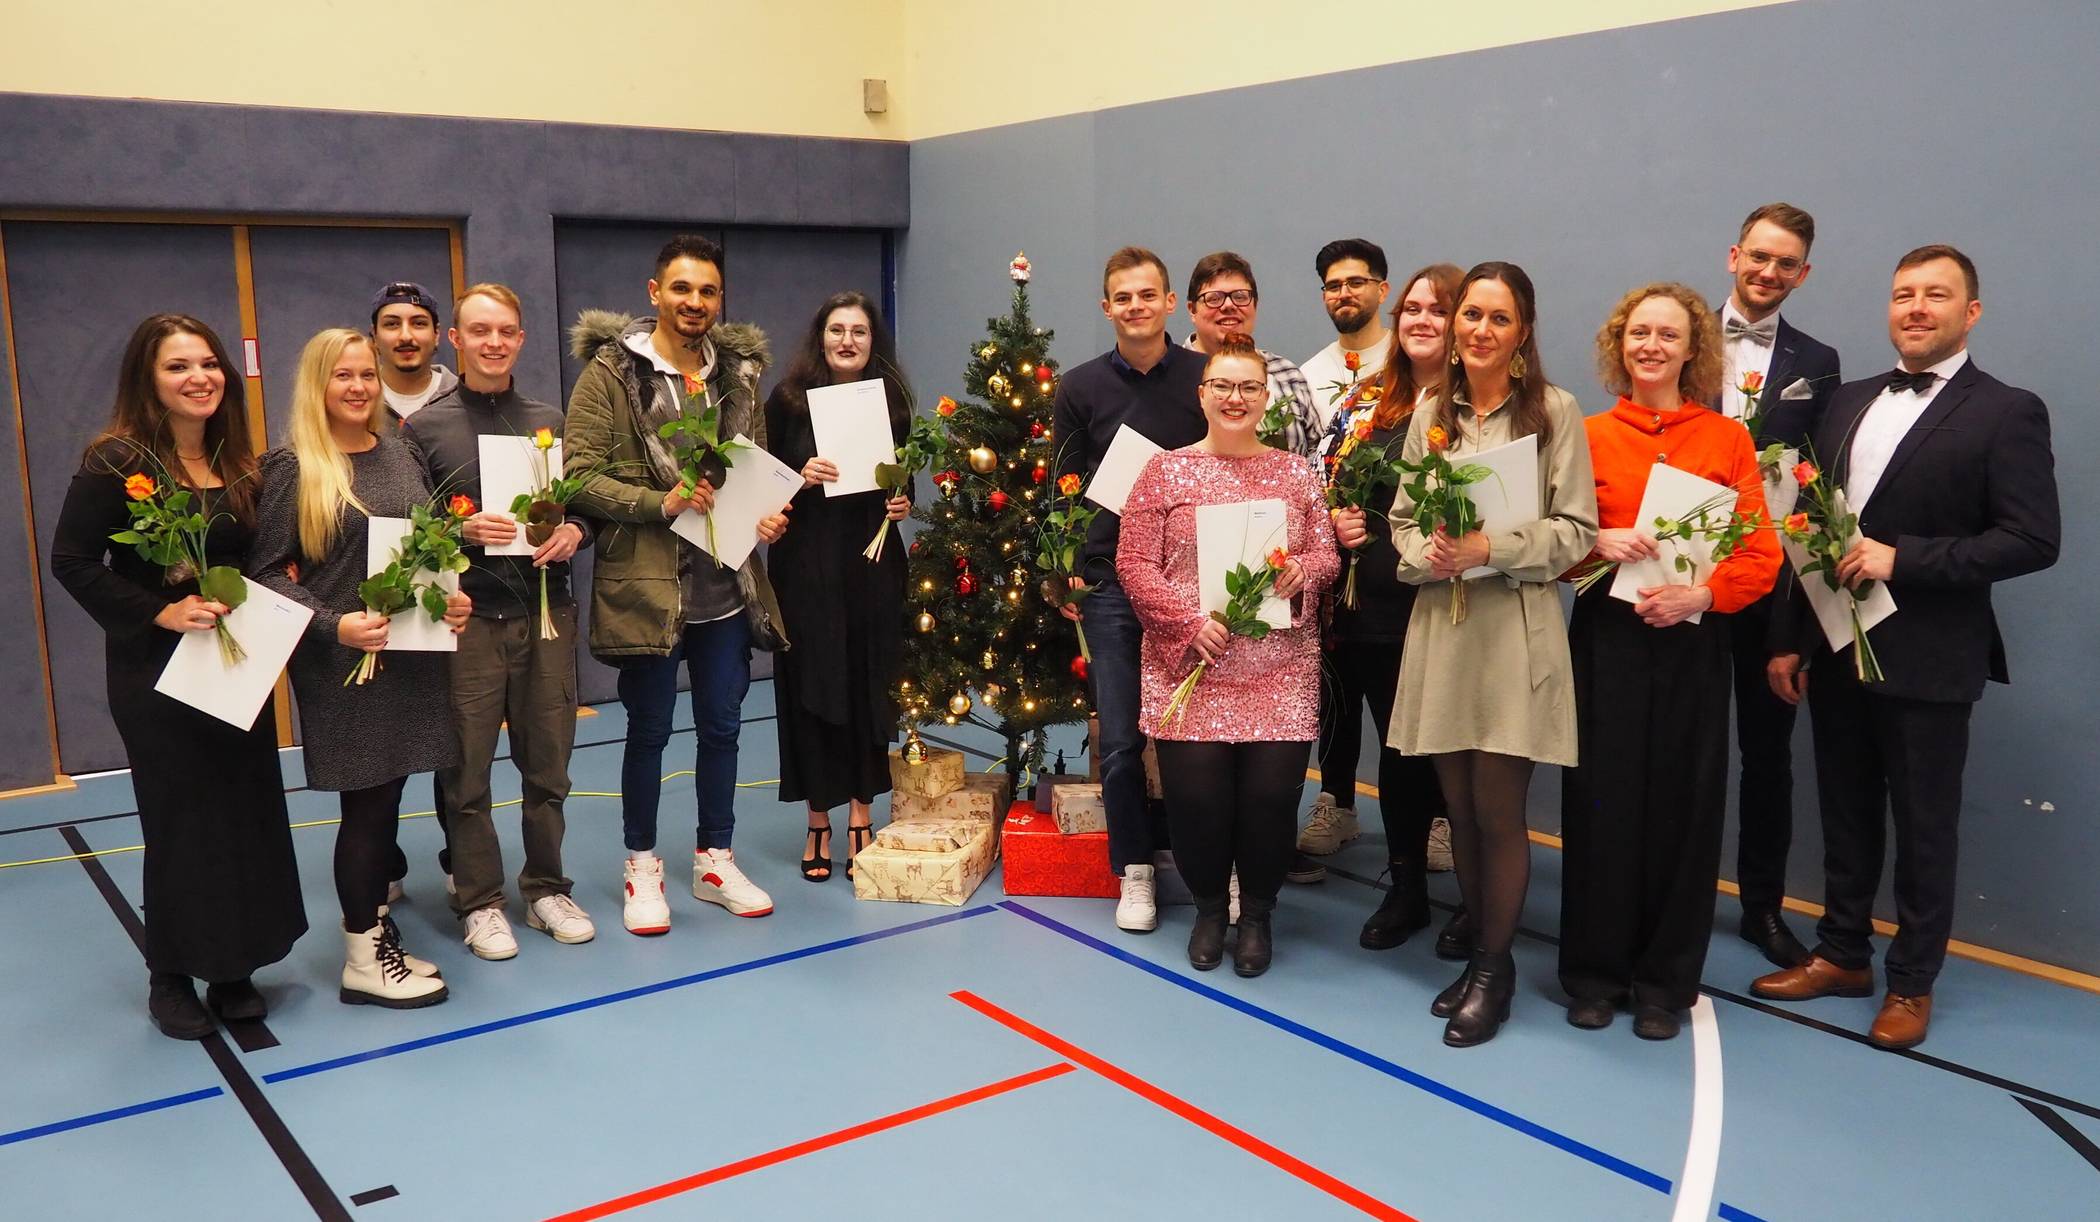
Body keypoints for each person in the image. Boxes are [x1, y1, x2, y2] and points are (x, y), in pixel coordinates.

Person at [1753, 246, 2058, 1050]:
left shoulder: (2008, 409)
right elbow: (1806, 528)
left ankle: (1912, 981)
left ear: (1972, 312)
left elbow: (2033, 539)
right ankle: (1842, 953)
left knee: (1925, 829)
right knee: (1845, 813)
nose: (1917, 308)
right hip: (1837, 649)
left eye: (1936, 295)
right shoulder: (1846, 400)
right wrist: (1789, 640)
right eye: (1903, 295)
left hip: (1931, 655)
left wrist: (1906, 557)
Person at [49, 314, 307, 1039]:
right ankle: (170, 972)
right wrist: (158, 614)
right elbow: (72, 562)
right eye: (177, 366)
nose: (198, 377)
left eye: (208, 363)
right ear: (149, 379)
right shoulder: (116, 460)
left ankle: (233, 968)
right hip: (156, 670)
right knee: (181, 820)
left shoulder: (241, 460)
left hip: (234, 666)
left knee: (243, 813)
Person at [1559, 283, 1779, 1040]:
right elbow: (1551, 551)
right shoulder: (1585, 435)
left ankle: (1664, 982)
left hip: (1691, 642)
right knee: (1600, 805)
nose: (1652, 345)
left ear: (1694, 350)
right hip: (1607, 642)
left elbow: (1760, 553)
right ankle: (1592, 971)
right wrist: (1595, 545)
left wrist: (1704, 597)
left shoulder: (1727, 440)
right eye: (1638, 333)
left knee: (1683, 812)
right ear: (1620, 344)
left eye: (1668, 335)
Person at [1387, 262, 1597, 1047]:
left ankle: (1493, 967)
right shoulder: (1431, 413)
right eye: (1469, 314)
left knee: (1500, 811)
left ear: (1524, 331)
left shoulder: (1556, 413)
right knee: (1461, 810)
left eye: (1497, 318)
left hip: (1514, 630)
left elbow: (1575, 531)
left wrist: (1490, 545)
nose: (1479, 330)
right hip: (1444, 627)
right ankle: (1482, 953)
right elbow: (1403, 520)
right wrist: (1429, 553)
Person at [565, 233, 788, 935]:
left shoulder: (737, 376)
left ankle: (715, 857)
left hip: (725, 588)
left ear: (720, 301)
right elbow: (577, 474)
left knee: (724, 727)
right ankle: (641, 866)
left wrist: (765, 518)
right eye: (682, 288)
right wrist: (656, 504)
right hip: (648, 590)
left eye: (709, 291)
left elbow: (749, 468)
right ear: (654, 291)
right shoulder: (610, 372)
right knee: (650, 732)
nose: (695, 302)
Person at [249, 328, 468, 1008]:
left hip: (410, 663)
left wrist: (451, 598)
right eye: (341, 376)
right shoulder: (294, 467)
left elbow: (430, 544)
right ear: (317, 386)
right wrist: (332, 623)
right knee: (367, 811)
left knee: (387, 804)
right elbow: (264, 576)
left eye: (365, 375)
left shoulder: (401, 453)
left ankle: (375, 932)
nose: (357, 387)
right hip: (343, 666)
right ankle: (361, 960)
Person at [1118, 333, 1339, 977]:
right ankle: (1212, 910)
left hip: (1279, 669)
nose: (1235, 397)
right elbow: (1134, 564)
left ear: (1266, 399)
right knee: (1198, 805)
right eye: (1223, 386)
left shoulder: (1298, 473)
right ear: (1203, 395)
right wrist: (1186, 624)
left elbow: (1326, 555)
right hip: (1193, 668)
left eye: (1248, 387)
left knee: (1271, 803)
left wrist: (1302, 569)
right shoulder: (1164, 471)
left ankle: (1259, 914)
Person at [398, 283, 594, 959]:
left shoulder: (550, 420)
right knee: (468, 773)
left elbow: (584, 507)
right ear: (456, 340)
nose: (493, 342)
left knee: (549, 768)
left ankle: (545, 888)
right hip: (468, 623)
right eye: (479, 331)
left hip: (545, 614)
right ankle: (479, 901)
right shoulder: (423, 428)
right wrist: (456, 527)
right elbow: (405, 529)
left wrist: (575, 531)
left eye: (506, 331)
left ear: (521, 339)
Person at [1050, 247, 1208, 933]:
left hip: (1191, 586)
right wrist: (1061, 567)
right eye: (1124, 297)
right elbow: (1061, 487)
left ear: (1171, 303)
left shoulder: (1206, 380)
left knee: (1194, 735)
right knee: (1118, 737)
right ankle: (1135, 873)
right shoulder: (1078, 388)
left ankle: (1203, 864)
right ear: (1106, 307)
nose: (1137, 306)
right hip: (1111, 583)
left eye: (1149, 295)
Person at [1311, 263, 1462, 949]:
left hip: (1446, 606)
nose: (1422, 319)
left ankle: (1482, 901)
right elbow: (1331, 475)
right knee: (1398, 758)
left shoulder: (1478, 406)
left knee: (1451, 759)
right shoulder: (1373, 398)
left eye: (1440, 308)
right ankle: (1407, 890)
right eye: (1413, 308)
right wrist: (1337, 516)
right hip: (1369, 608)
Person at [1713, 204, 1843, 968]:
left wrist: (1794, 629)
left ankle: (1761, 908)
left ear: (1802, 273)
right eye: (1758, 256)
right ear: (1734, 255)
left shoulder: (1818, 360)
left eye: (1785, 263)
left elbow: (1816, 490)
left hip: (1770, 592)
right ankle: (1673, 892)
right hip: (1683, 581)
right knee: (1683, 749)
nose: (1768, 272)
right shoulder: (1680, 331)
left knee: (1768, 758)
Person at [763, 291, 913, 881]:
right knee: (813, 686)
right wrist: (800, 477)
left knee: (867, 684)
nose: (847, 340)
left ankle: (861, 816)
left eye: (859, 331)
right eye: (836, 330)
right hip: (806, 566)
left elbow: (899, 476)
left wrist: (902, 502)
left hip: (873, 562)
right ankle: (818, 819)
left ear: (873, 341)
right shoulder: (786, 401)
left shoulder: (892, 401)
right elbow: (764, 486)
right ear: (819, 338)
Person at [370, 280, 460, 898]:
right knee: (387, 734)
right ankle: (383, 861)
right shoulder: (349, 395)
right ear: (375, 334)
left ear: (436, 334)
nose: (406, 334)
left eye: (419, 322)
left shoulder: (464, 398)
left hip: (451, 589)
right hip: (374, 590)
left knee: (453, 733)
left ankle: (463, 858)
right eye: (393, 323)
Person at [1183, 252, 1320, 456]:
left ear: (1255, 305)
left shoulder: (1286, 375)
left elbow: (1316, 454)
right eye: (1214, 298)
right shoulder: (1171, 375)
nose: (1229, 306)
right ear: (1192, 310)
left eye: (1240, 297)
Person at [1298, 238, 1391, 435]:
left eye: (1356, 283)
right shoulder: (1308, 376)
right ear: (1324, 297)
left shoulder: (1409, 358)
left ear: (1382, 292)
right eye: (1333, 286)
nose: (1344, 294)